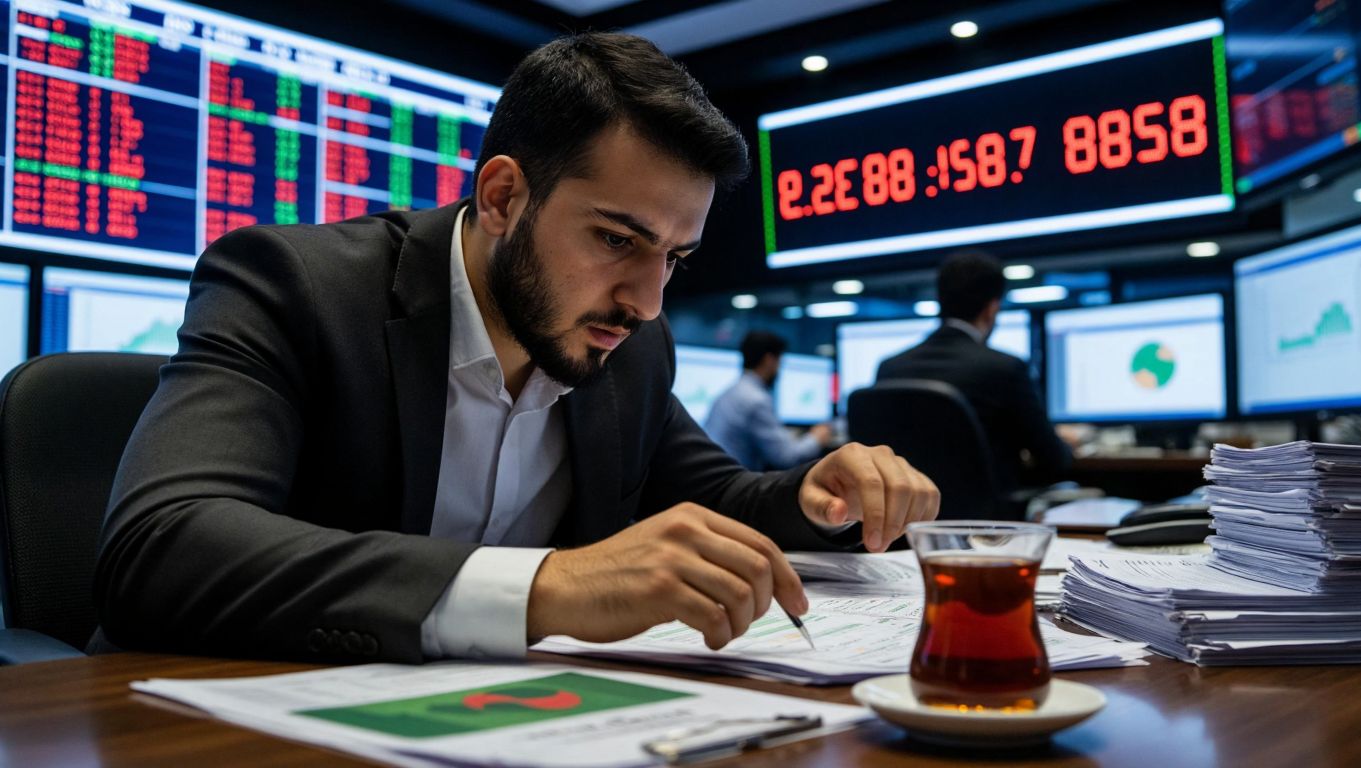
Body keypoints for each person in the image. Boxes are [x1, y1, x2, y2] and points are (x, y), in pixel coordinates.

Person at [93, 32, 938, 664]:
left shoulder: (630, 346)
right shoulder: (295, 285)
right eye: (616, 239)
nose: (648, 302)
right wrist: (547, 587)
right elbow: (162, 545)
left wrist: (820, 498)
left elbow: (719, 499)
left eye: (673, 259)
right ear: (502, 196)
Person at [875, 251, 1070, 497]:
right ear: (992, 309)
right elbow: (1053, 460)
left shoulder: (890, 368)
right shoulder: (1006, 369)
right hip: (986, 524)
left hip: (908, 521)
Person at [704, 331, 833, 471]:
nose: (779, 369)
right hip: (734, 485)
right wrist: (816, 438)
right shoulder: (756, 400)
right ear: (769, 360)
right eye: (779, 362)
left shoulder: (728, 393)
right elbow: (786, 458)